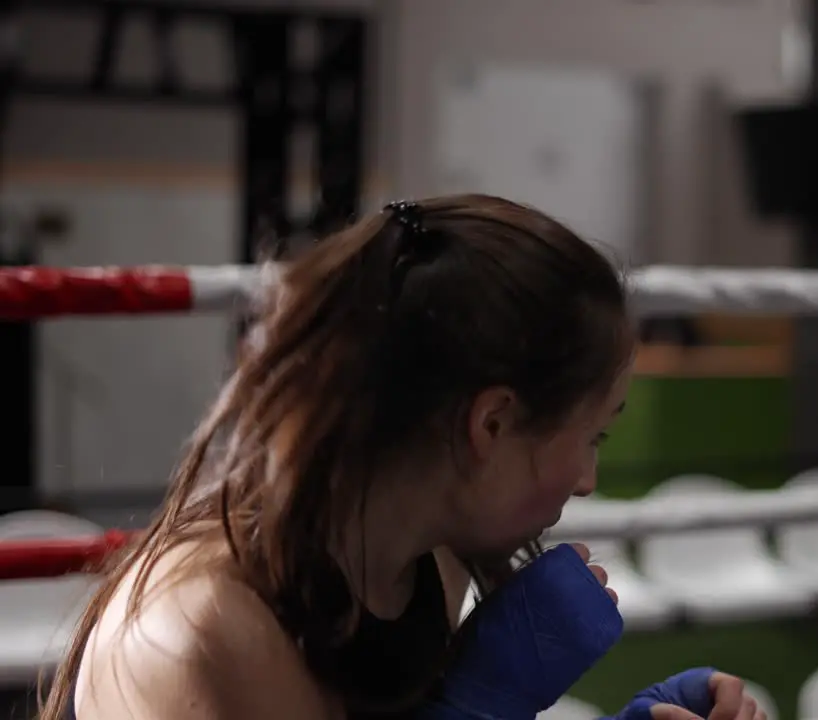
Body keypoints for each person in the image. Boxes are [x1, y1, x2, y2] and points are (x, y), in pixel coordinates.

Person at [39, 195, 765, 720]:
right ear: (494, 422)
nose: (587, 480)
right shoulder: (206, 631)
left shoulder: (420, 564)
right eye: (591, 438)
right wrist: (477, 708)